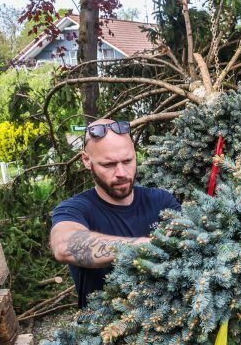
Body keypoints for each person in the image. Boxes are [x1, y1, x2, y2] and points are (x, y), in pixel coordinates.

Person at [50, 119, 181, 308]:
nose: (121, 172)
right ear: (87, 160)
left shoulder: (161, 201)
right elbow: (64, 245)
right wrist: (146, 245)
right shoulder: (75, 209)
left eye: (128, 161)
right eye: (109, 165)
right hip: (104, 331)